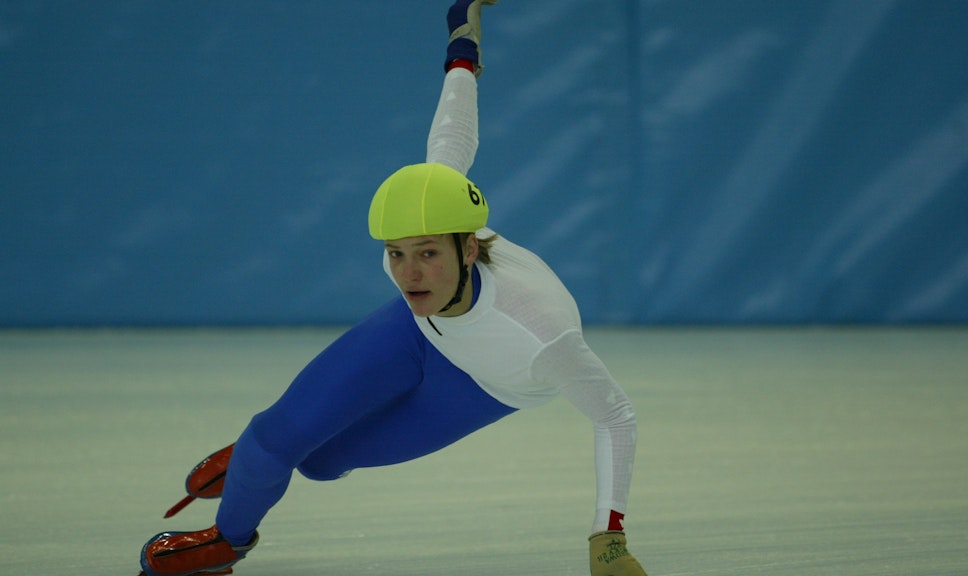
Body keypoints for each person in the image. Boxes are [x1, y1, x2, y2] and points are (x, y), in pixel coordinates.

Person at [137, 2, 648, 575]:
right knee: (274, 436)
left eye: (428, 254)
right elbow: (452, 132)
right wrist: (462, 44)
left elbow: (615, 416)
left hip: (486, 382)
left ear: (468, 247)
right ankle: (226, 543)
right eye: (397, 254)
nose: (408, 273)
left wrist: (610, 535)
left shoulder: (539, 332)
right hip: (416, 334)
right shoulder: (420, 249)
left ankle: (264, 468)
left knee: (321, 462)